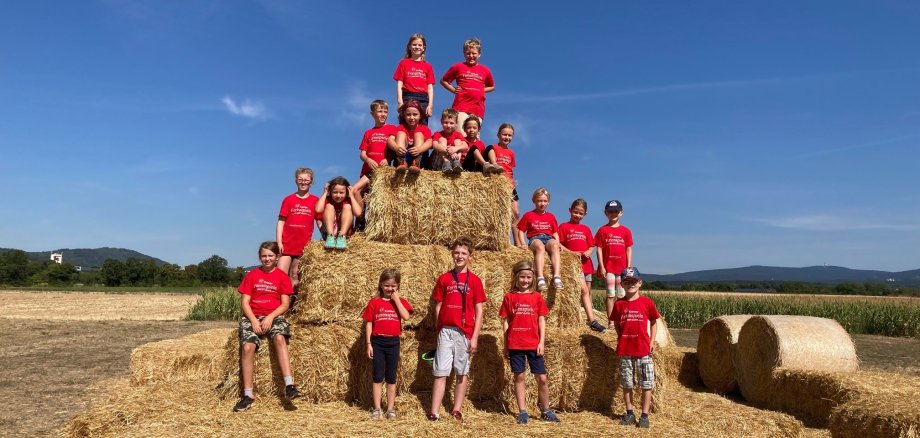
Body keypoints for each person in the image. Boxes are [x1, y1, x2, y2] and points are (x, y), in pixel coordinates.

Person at [233, 241, 300, 412]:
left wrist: (270, 317)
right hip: (252, 316)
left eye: (271, 256)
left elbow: (285, 304)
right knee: (248, 347)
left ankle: (289, 385)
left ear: (277, 257)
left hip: (274, 315)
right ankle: (248, 394)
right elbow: (245, 303)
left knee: (279, 338)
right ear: (259, 257)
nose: (267, 259)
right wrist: (254, 321)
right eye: (264, 256)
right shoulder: (252, 275)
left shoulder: (282, 277)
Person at [428, 237, 486, 423]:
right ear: (452, 255)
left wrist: (475, 337)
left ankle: (456, 409)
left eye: (463, 253)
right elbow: (438, 305)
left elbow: (479, 310)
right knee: (440, 371)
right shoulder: (444, 278)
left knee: (462, 371)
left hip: (465, 332)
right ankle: (434, 411)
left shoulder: (475, 281)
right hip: (446, 331)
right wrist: (440, 327)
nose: (459, 256)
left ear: (470, 256)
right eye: (456, 253)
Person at [499, 260, 560, 424]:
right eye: (522, 277)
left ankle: (546, 410)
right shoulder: (509, 297)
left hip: (533, 344)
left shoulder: (537, 297)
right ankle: (522, 411)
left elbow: (541, 321)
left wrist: (541, 342)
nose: (525, 280)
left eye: (528, 277)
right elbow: (505, 322)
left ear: (533, 279)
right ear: (516, 277)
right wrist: (505, 345)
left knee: (542, 378)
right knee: (519, 377)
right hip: (515, 344)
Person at [361, 268, 414, 419]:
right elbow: (369, 324)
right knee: (377, 376)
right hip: (378, 342)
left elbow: (406, 316)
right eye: (386, 285)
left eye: (393, 286)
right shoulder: (374, 302)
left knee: (391, 376)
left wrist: (396, 299)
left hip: (393, 342)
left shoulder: (400, 302)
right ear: (380, 285)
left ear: (398, 286)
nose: (390, 289)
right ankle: (377, 408)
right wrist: (368, 343)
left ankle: (390, 408)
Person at [611, 267, 659, 429]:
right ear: (622, 285)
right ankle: (630, 413)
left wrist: (651, 341)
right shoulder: (618, 304)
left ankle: (644, 415)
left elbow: (653, 322)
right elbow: (617, 323)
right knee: (627, 383)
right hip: (625, 350)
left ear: (640, 283)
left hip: (643, 350)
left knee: (646, 383)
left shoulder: (647, 303)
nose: (630, 284)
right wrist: (620, 336)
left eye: (633, 281)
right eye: (627, 282)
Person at [558, 199, 605, 332]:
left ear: (585, 214)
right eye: (575, 212)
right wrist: (572, 253)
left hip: (586, 263)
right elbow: (559, 244)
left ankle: (588, 314)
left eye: (581, 213)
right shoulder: (563, 226)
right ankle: (588, 319)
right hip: (572, 264)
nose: (577, 215)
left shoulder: (586, 229)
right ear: (570, 210)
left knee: (587, 290)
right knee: (577, 290)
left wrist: (589, 251)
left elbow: (591, 245)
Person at [276, 168, 321, 290]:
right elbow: (281, 221)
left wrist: (326, 237)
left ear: (311, 182)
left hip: (303, 245)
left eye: (306, 180)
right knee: (280, 275)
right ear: (296, 180)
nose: (303, 182)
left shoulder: (315, 200)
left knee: (294, 275)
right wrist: (279, 242)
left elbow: (319, 221)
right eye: (300, 179)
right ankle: (280, 304)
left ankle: (291, 305)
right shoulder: (288, 199)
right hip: (286, 244)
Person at [440, 38, 495, 133]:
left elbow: (492, 86)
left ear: (479, 54)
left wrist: (481, 90)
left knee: (474, 136)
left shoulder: (485, 70)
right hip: (461, 106)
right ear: (464, 54)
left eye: (474, 53)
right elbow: (444, 81)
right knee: (461, 134)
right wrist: (453, 89)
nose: (471, 56)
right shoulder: (458, 67)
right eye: (468, 53)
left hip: (478, 109)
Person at [595, 200, 633, 328]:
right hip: (609, 268)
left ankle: (621, 319)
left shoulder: (626, 231)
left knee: (622, 295)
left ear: (621, 213)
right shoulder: (602, 230)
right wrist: (601, 265)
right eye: (610, 211)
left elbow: (628, 248)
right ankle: (611, 321)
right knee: (610, 294)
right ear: (606, 213)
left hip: (622, 269)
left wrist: (628, 267)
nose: (613, 214)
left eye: (616, 211)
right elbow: (599, 248)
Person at [516, 188, 562, 292]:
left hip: (549, 237)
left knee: (554, 246)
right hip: (535, 238)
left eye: (545, 201)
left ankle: (557, 276)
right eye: (539, 201)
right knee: (540, 247)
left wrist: (558, 243)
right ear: (534, 201)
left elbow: (555, 232)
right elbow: (521, 231)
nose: (542, 203)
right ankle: (540, 278)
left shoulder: (551, 216)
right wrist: (523, 243)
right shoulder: (528, 215)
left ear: (548, 202)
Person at [353, 100, 396, 195]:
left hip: (382, 170)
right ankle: (360, 211)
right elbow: (362, 154)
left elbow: (395, 150)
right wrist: (368, 160)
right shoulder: (368, 132)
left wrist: (388, 159)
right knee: (355, 191)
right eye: (380, 111)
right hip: (368, 170)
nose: (383, 114)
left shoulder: (392, 128)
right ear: (372, 114)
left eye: (385, 112)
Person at [393, 33, 435, 126]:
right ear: (409, 47)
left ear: (423, 48)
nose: (417, 47)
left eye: (419, 45)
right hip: (407, 96)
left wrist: (430, 105)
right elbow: (399, 83)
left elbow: (430, 87)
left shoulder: (428, 66)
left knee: (422, 125)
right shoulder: (403, 63)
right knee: (405, 125)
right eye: (414, 44)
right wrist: (400, 101)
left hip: (423, 98)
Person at [315, 177, 363, 250]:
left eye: (341, 193)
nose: (338, 195)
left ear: (346, 192)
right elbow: (318, 210)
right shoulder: (328, 199)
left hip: (345, 235)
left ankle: (341, 236)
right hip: (329, 234)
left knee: (347, 207)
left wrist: (351, 195)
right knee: (329, 206)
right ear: (330, 192)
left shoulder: (348, 200)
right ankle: (330, 237)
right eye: (335, 192)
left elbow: (358, 213)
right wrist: (325, 193)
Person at [388, 99, 432, 174]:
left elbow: (430, 142)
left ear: (420, 115)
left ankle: (416, 162)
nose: (411, 117)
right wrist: (396, 148)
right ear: (404, 116)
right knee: (401, 133)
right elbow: (389, 140)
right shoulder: (400, 127)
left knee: (418, 134)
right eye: (408, 115)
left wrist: (420, 149)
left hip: (419, 157)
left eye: (415, 114)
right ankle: (401, 161)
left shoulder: (424, 128)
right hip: (403, 155)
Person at [430, 108, 468, 174]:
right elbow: (435, 145)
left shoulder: (457, 134)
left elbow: (466, 146)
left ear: (456, 124)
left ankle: (457, 163)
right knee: (442, 140)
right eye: (446, 122)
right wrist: (450, 152)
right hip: (439, 162)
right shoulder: (438, 134)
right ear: (441, 121)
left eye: (451, 123)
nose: (448, 125)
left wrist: (456, 148)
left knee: (458, 141)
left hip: (453, 161)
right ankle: (446, 162)